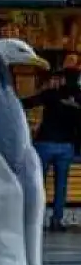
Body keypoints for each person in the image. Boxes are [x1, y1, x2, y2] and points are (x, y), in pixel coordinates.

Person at [22, 63, 81, 231]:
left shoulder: (51, 94)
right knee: (61, 185)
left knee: (39, 184)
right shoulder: (79, 97)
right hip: (67, 147)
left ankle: (36, 219)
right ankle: (57, 220)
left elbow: (28, 103)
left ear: (62, 79)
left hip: (45, 144)